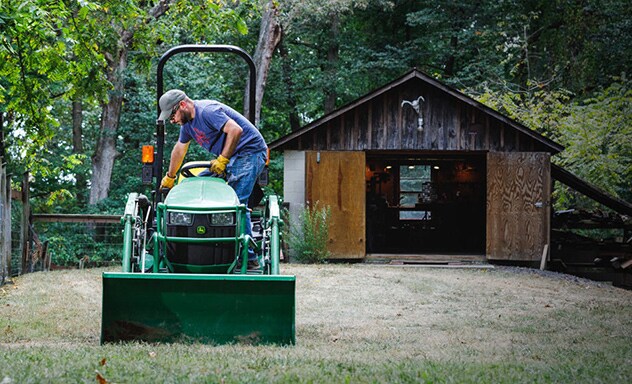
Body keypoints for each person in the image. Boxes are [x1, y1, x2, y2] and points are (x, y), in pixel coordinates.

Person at [158, 89, 267, 270]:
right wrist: (170, 177)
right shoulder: (188, 126)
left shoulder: (208, 111)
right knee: (197, 188)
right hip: (230, 157)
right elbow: (179, 149)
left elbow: (235, 130)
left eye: (173, 115)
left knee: (236, 203)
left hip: (249, 152)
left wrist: (223, 159)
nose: (173, 120)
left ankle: (249, 258)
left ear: (183, 105)